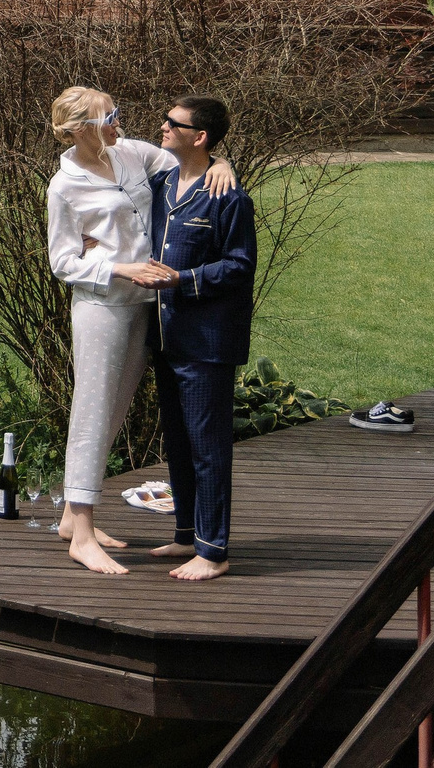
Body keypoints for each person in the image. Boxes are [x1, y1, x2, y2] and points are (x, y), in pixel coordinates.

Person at [44, 87, 231, 576]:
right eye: (111, 116)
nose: (120, 122)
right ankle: (81, 536)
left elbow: (184, 163)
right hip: (102, 309)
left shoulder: (130, 153)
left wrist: (222, 162)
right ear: (82, 128)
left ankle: (70, 517)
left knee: (116, 409)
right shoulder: (64, 186)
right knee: (92, 411)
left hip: (147, 305)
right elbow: (62, 261)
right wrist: (119, 267)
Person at [142, 94, 254, 581]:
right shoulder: (160, 182)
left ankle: (214, 551)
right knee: (179, 442)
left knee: (209, 447)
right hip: (166, 340)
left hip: (207, 344)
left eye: (173, 123)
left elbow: (239, 265)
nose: (162, 127)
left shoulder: (228, 196)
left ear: (200, 136)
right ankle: (186, 535)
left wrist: (182, 281)